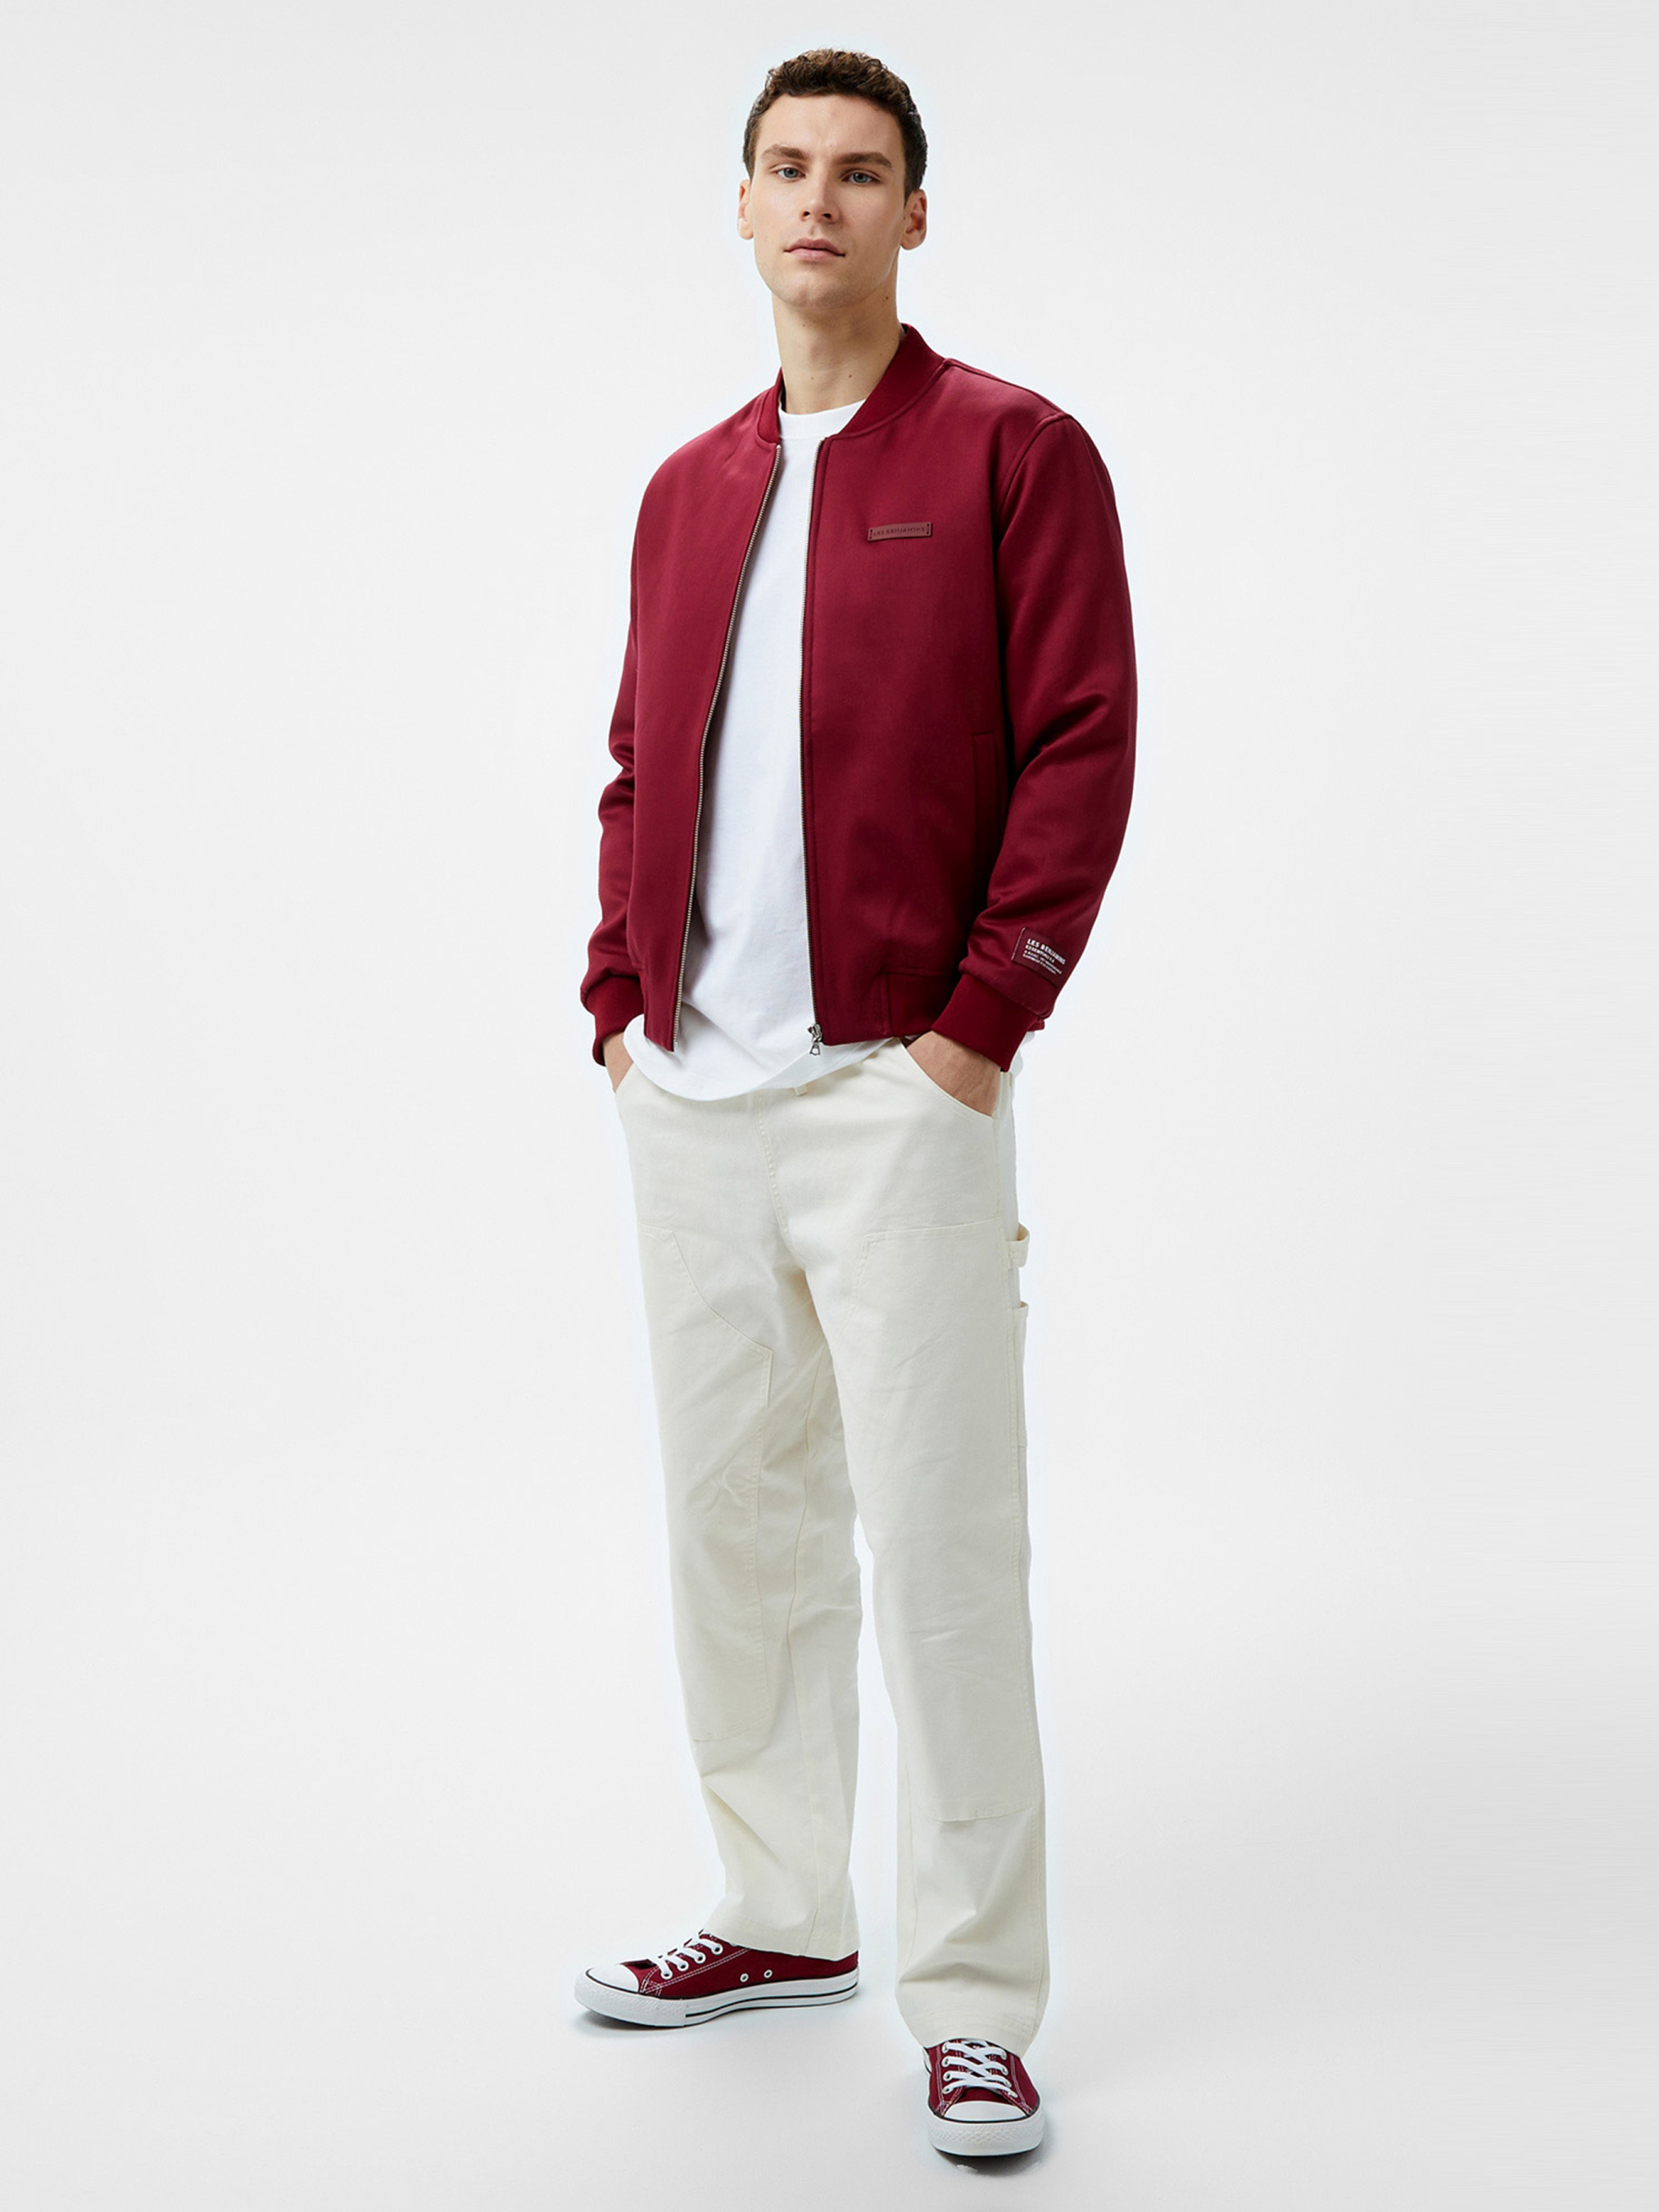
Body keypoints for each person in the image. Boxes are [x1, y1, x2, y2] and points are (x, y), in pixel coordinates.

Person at [574, 48, 1135, 2160]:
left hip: (899, 1092)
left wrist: (979, 1031)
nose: (819, 199)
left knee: (945, 1555)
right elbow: (639, 761)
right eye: (787, 167)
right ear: (741, 204)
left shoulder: (1014, 453)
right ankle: (778, 1914)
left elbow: (1082, 745)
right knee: (740, 1534)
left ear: (915, 211)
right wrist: (618, 1000)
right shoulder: (684, 488)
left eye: (862, 171)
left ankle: (975, 2003)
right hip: (694, 1099)